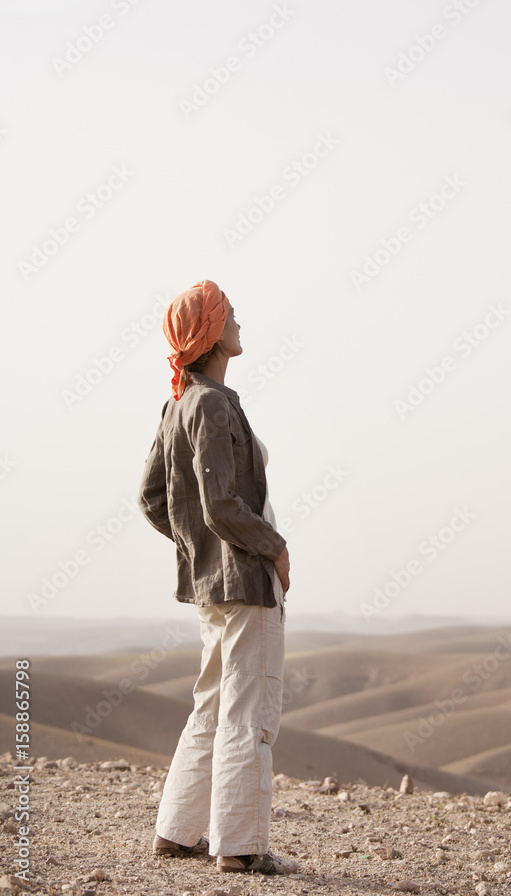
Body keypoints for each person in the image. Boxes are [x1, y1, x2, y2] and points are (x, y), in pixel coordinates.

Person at [137, 278, 297, 876]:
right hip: (245, 583)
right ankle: (242, 846)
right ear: (212, 334)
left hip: (213, 585)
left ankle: (178, 834)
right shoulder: (209, 403)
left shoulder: (179, 403)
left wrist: (196, 551)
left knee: (210, 705)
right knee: (248, 711)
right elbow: (221, 506)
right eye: (230, 314)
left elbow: (154, 500)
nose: (239, 322)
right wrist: (274, 550)